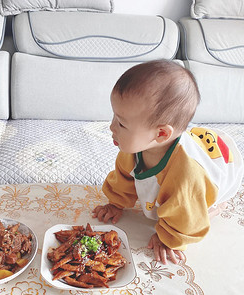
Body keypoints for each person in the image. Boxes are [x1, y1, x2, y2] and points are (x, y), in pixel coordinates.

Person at [92, 60, 244, 264]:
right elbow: (124, 177)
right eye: (114, 117)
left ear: (161, 133)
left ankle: (215, 207)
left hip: (215, 171)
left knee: (198, 207)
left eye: (121, 123)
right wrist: (115, 203)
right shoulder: (132, 150)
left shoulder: (187, 174)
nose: (111, 127)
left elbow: (186, 214)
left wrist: (169, 238)